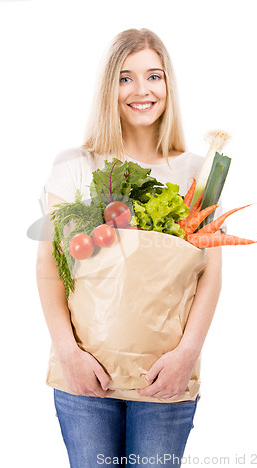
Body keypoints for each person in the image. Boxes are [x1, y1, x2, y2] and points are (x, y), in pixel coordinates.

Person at [36, 28, 224, 467]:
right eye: (125, 78)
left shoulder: (198, 171)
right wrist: (69, 355)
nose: (142, 91)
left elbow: (210, 273)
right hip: (85, 373)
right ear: (109, 88)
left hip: (165, 376)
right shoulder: (74, 165)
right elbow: (49, 266)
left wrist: (186, 355)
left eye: (154, 77)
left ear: (168, 85)